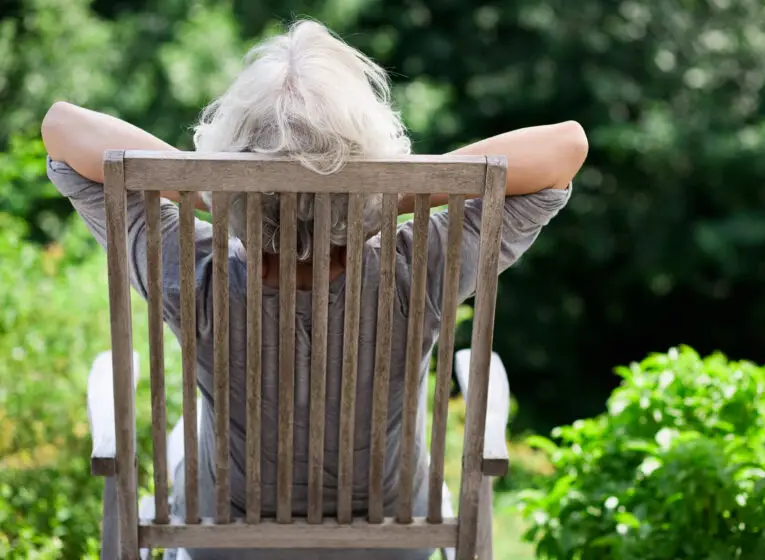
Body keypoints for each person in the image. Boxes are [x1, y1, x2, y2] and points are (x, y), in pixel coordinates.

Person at [41, 19, 587, 560]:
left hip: (223, 550)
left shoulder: (195, 271)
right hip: (391, 551)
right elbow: (565, 147)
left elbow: (62, 128)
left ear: (233, 155)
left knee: (188, 435)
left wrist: (222, 192)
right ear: (371, 155)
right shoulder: (416, 269)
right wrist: (382, 197)